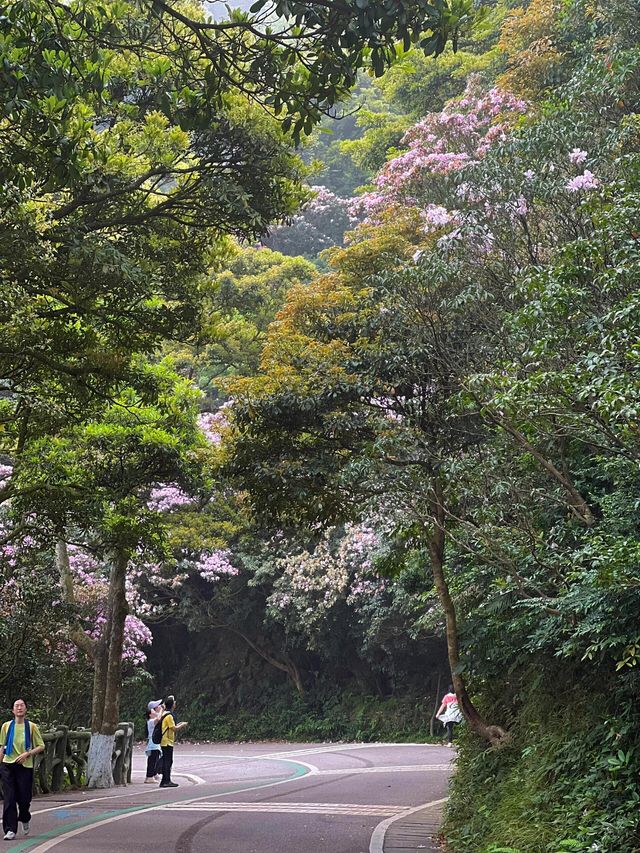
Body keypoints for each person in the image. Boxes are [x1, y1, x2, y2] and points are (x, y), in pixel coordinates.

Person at [0, 699, 45, 841]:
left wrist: (28, 754)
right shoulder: (6, 726)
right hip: (8, 764)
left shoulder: (31, 727)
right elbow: (2, 746)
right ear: (13, 710)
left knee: (24, 799)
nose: (19, 708)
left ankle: (24, 816)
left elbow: (41, 746)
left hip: (25, 766)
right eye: (16, 706)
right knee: (9, 798)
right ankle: (10, 829)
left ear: (25, 709)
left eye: (22, 705)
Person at [159, 695, 188, 788]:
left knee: (166, 761)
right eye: (174, 702)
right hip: (167, 741)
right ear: (172, 705)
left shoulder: (164, 714)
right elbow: (174, 728)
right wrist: (182, 725)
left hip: (165, 741)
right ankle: (166, 780)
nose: (175, 704)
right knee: (168, 761)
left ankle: (165, 780)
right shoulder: (169, 716)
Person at [144, 701, 164, 783]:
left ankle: (154, 773)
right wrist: (161, 710)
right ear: (150, 715)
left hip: (154, 743)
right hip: (152, 744)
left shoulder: (151, 721)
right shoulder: (151, 722)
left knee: (155, 758)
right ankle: (149, 776)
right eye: (153, 712)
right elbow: (159, 718)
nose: (155, 713)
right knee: (152, 760)